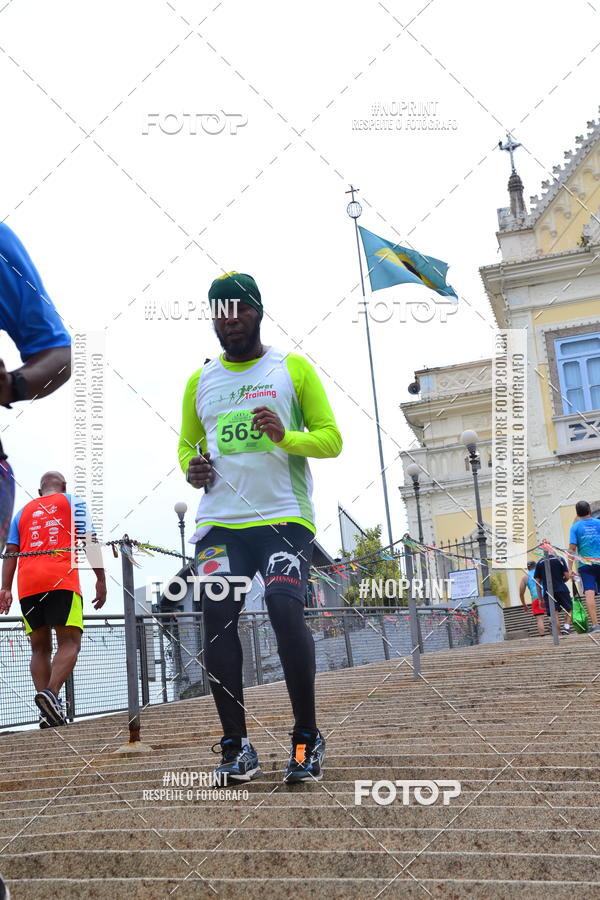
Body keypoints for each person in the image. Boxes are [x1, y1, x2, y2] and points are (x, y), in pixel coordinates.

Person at [178, 272, 342, 784]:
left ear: (258, 313)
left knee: (283, 610)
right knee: (217, 619)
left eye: (239, 313)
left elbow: (332, 439)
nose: (230, 324)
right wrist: (193, 468)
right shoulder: (199, 381)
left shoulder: (291, 369)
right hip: (220, 522)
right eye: (220, 315)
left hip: (283, 519)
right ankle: (236, 745)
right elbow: (187, 445)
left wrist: (286, 435)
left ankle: (305, 739)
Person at [0, 471, 106, 726]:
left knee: (39, 648)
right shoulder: (73, 501)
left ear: (40, 491)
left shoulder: (23, 512)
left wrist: (5, 588)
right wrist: (100, 578)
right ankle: (51, 695)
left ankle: (46, 712)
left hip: (28, 583)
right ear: (64, 486)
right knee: (70, 642)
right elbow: (89, 539)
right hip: (61, 579)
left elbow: (10, 551)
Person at [0, 223, 72, 549]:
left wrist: (12, 385)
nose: (48, 489)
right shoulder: (27, 515)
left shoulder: (75, 510)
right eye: (46, 485)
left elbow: (59, 354)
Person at [568, 500, 600, 633]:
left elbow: (571, 549)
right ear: (589, 511)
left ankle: (595, 625)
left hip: (585, 565)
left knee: (589, 592)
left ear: (577, 513)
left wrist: (569, 569)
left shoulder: (575, 527)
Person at [533, 553, 573, 636]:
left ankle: (558, 636)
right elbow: (567, 576)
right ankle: (566, 627)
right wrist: (562, 581)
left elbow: (537, 583)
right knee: (569, 609)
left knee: (554, 615)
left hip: (548, 592)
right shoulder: (560, 558)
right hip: (562, 589)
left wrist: (540, 599)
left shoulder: (540, 562)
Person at [519, 561, 546, 636]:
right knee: (553, 615)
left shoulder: (525, 577)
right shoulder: (542, 572)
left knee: (539, 619)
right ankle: (557, 633)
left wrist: (524, 605)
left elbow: (521, 593)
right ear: (536, 566)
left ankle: (542, 637)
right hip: (547, 595)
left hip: (536, 598)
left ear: (528, 568)